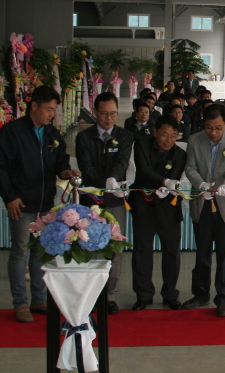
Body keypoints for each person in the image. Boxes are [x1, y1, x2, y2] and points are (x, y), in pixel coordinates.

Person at [0, 86, 80, 323]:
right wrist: (10, 197)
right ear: (34, 106)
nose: (52, 114)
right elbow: (0, 167)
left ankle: (39, 300)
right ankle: (20, 303)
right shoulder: (13, 132)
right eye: (48, 109)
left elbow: (60, 159)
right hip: (21, 204)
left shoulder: (52, 134)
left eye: (54, 110)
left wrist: (65, 171)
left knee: (40, 252)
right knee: (19, 252)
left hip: (45, 204)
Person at [182, 104, 225, 316]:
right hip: (202, 202)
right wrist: (200, 184)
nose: (214, 132)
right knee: (202, 253)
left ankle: (223, 299)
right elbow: (190, 167)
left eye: (218, 128)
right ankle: (200, 294)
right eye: (209, 127)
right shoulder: (194, 140)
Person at [76, 91, 134, 315]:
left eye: (113, 113)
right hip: (90, 200)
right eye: (104, 113)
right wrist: (103, 182)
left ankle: (110, 295)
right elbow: (86, 166)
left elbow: (122, 161)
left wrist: (113, 179)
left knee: (115, 248)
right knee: (90, 246)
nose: (109, 118)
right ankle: (91, 294)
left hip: (115, 200)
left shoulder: (124, 135)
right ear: (95, 112)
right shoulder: (84, 137)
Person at [129, 115, 187, 311]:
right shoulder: (142, 145)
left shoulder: (180, 154)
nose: (168, 140)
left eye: (173, 135)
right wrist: (164, 182)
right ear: (155, 132)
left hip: (168, 208)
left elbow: (175, 175)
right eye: (164, 134)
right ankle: (143, 295)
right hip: (143, 206)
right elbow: (144, 171)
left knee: (171, 252)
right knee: (142, 251)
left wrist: (168, 183)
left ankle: (170, 294)